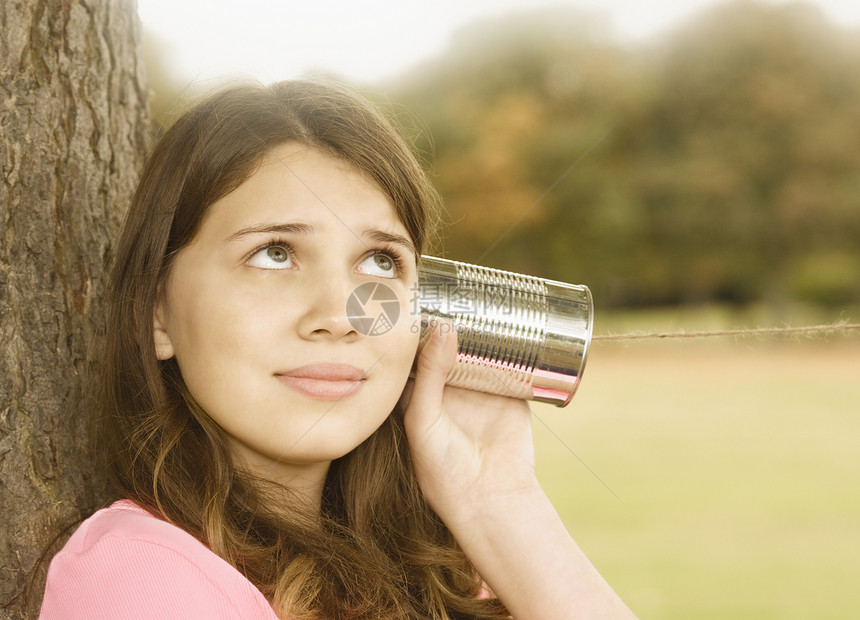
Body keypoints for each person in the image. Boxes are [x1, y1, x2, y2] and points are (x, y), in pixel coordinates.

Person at [39, 80, 635, 619]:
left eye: (380, 262)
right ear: (157, 313)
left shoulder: (440, 572)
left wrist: (499, 500)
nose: (341, 317)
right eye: (274, 252)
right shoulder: (143, 581)